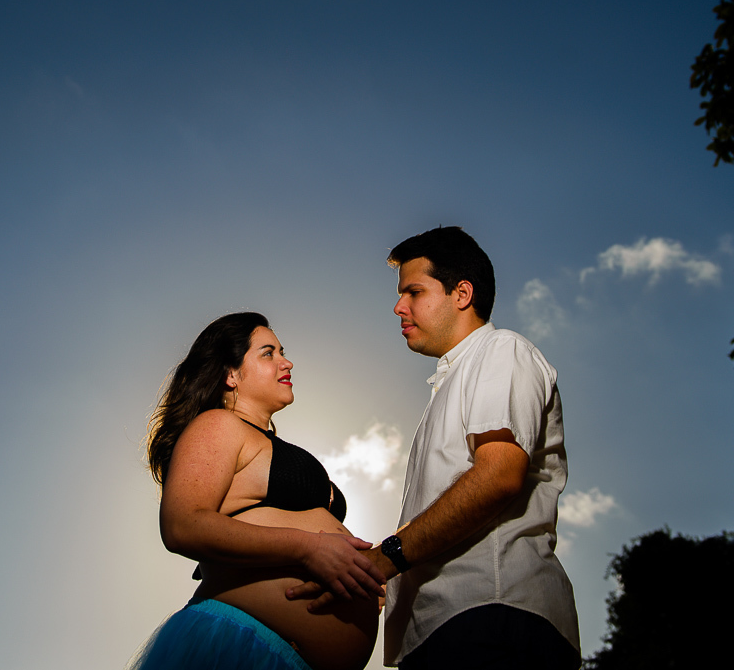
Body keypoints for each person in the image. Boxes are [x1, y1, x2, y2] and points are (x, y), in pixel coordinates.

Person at [288, 227, 580, 669]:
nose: (398, 306)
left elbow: (498, 475)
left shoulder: (502, 351)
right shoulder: (449, 386)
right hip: (441, 631)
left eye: (414, 291)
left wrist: (385, 560)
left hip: (491, 618)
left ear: (462, 293)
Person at [127, 312, 386, 670]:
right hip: (235, 649)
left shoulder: (262, 441)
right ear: (231, 374)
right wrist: (310, 548)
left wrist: (353, 576)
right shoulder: (219, 425)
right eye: (269, 353)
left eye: (283, 351)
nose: (286, 361)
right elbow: (182, 526)